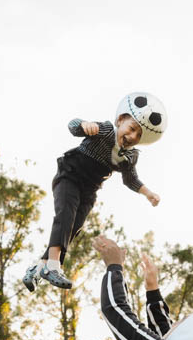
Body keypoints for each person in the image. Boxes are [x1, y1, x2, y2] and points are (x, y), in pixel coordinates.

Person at [23, 92, 167, 292]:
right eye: (132, 128)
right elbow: (74, 126)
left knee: (73, 227)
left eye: (138, 136)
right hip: (70, 175)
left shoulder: (130, 156)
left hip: (90, 189)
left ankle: (38, 267)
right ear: (120, 120)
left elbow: (130, 179)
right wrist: (85, 126)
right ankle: (54, 266)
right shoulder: (106, 130)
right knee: (65, 214)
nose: (132, 136)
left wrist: (148, 193)